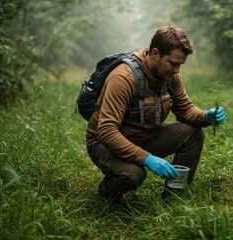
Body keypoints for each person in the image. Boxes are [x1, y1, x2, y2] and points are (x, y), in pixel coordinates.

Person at [86, 24, 225, 203]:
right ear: (154, 54)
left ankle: (173, 198)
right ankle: (106, 195)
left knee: (193, 133)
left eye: (180, 65)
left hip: (144, 138)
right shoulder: (123, 78)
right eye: (173, 64)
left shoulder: (170, 75)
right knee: (133, 174)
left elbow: (185, 110)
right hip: (105, 143)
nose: (177, 71)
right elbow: (106, 131)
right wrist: (148, 159)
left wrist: (205, 116)